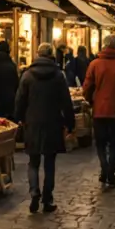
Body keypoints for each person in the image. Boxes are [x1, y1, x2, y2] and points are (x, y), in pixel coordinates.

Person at [15, 43, 75, 213]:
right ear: (51, 55)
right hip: (53, 123)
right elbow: (66, 101)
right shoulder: (58, 76)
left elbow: (20, 100)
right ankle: (47, 199)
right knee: (49, 163)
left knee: (33, 161)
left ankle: (34, 192)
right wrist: (70, 123)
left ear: (37, 54)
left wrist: (18, 118)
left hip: (32, 123)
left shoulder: (27, 75)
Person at [82, 33, 115, 188]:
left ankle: (105, 169)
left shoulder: (95, 64)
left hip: (99, 109)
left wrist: (91, 100)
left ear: (103, 45)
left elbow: (87, 87)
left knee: (100, 143)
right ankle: (110, 173)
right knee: (114, 143)